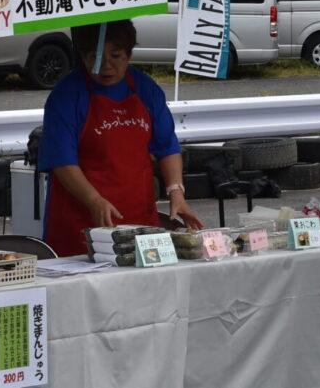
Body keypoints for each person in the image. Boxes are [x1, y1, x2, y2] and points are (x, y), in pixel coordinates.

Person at [39, 20, 203, 256]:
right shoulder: (67, 95)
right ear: (83, 57)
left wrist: (176, 193)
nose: (105, 66)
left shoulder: (145, 89)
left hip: (139, 217)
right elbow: (62, 161)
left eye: (115, 56)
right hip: (81, 222)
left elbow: (167, 146)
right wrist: (94, 200)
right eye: (94, 57)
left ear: (129, 55)